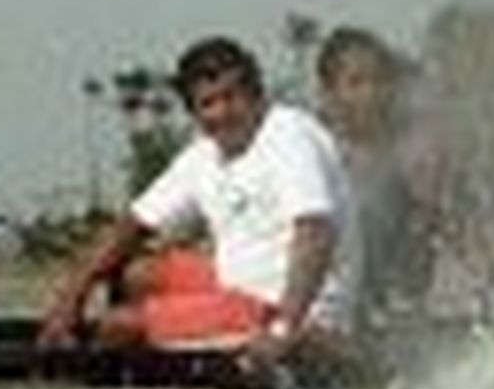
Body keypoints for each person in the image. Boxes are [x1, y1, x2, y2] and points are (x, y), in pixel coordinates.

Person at [38, 36, 352, 364]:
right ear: (194, 112)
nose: (223, 113)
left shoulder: (289, 135)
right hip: (238, 285)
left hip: (284, 310)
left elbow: (315, 231)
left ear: (257, 94)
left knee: (118, 326)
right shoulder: (205, 155)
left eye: (232, 97)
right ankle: (177, 334)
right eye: (208, 104)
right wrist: (72, 296)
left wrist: (284, 328)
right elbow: (133, 224)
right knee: (138, 274)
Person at [315, 26, 448, 332]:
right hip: (321, 308)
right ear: (328, 92)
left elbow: (443, 239)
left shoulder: (409, 151)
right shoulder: (311, 151)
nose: (371, 93)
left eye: (380, 81)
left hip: (390, 311)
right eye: (356, 83)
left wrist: (431, 206)